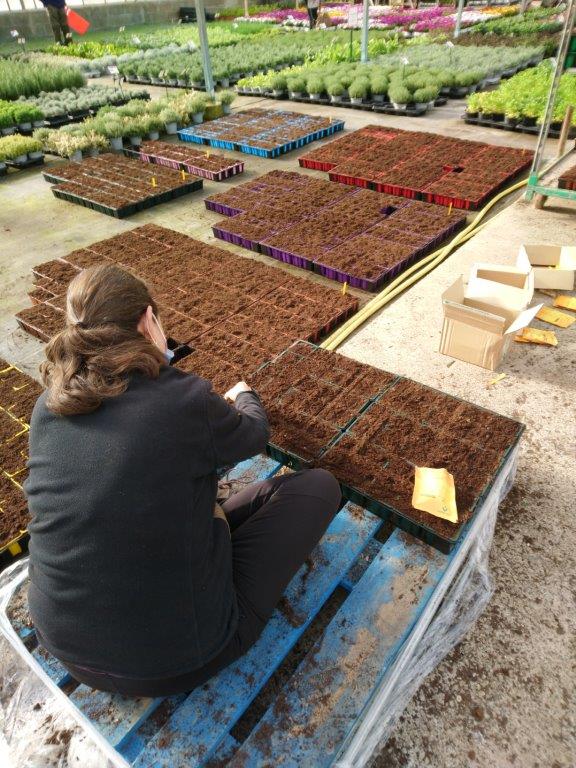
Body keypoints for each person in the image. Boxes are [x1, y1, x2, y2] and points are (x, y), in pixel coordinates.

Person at [24, 264, 341, 697]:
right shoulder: (180, 402)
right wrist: (244, 394)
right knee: (318, 487)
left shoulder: (49, 406)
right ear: (147, 321)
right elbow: (253, 434)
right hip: (177, 659)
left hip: (64, 644)